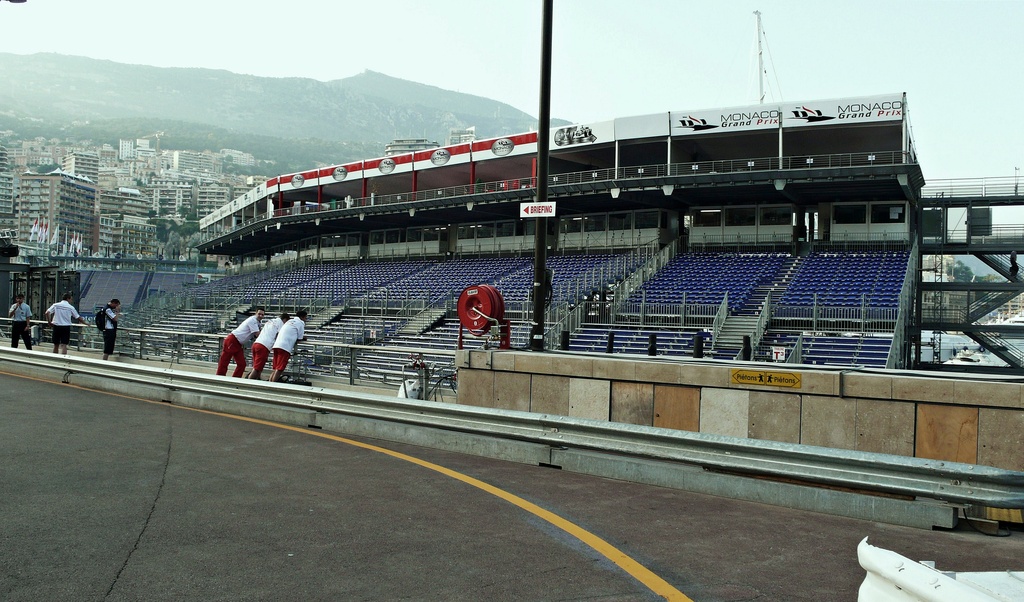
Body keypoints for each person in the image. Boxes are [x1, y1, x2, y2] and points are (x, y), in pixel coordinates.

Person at [216, 307, 265, 377]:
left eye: (262, 315)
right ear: (255, 313)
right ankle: (220, 377)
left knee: (242, 364)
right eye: (259, 314)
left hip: (238, 343)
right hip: (233, 340)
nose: (260, 316)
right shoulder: (253, 320)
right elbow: (257, 334)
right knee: (224, 361)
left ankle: (236, 379)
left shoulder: (258, 322)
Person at [246, 311, 289, 380]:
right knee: (257, 368)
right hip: (264, 346)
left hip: (256, 343)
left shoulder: (270, 321)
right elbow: (280, 336)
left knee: (257, 367)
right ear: (285, 320)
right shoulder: (280, 323)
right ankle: (248, 383)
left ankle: (256, 382)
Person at [269, 310, 307, 383]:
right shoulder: (300, 323)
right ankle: (273, 385)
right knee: (280, 368)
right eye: (306, 318)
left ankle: (270, 382)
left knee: (276, 367)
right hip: (285, 347)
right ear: (302, 317)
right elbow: (299, 338)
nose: (306, 320)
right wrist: (304, 338)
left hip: (277, 345)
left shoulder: (289, 321)